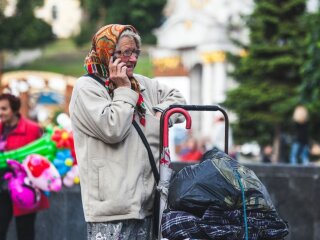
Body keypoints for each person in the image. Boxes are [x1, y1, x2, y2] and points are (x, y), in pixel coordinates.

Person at [69, 24, 186, 240]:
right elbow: (113, 129)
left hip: (148, 205)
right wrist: (123, 90)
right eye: (124, 53)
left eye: (135, 52)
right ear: (106, 52)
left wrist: (160, 113)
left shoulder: (141, 83)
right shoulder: (87, 88)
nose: (132, 59)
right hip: (111, 210)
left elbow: (178, 98)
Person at [0, 93, 49, 240]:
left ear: (14, 110)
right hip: (2, 190)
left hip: (25, 189)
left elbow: (41, 159)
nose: (0, 112)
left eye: (4, 108)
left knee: (25, 232)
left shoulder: (32, 129)